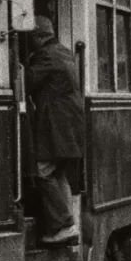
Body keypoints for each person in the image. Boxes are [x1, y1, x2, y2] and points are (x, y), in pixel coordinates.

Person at [25, 16, 84, 245]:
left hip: (56, 126)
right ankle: (69, 225)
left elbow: (28, 81)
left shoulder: (46, 55)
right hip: (70, 126)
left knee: (42, 171)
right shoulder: (64, 51)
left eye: (31, 38)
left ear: (39, 37)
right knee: (58, 173)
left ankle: (64, 224)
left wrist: (19, 63)